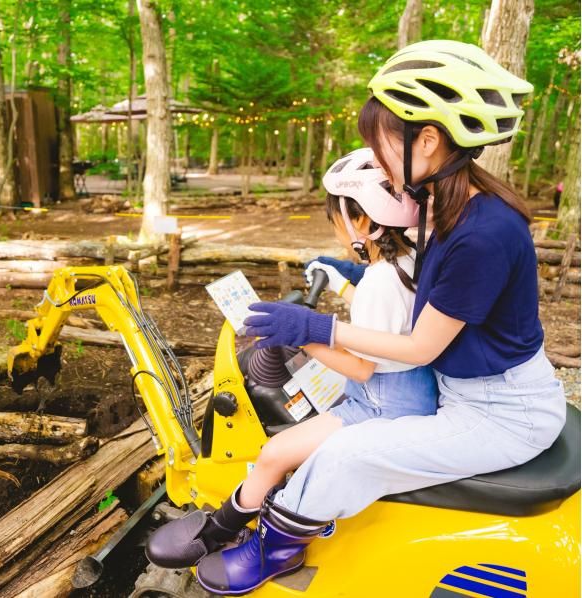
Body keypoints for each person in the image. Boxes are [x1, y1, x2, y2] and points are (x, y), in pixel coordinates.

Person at [185, 40, 564, 595]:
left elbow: (419, 348)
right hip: (475, 393)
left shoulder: (480, 232)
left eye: (381, 144)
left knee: (348, 455)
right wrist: (352, 270)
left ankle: (275, 550)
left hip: (501, 413)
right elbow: (419, 277)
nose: (379, 161)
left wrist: (314, 328)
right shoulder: (451, 207)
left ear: (428, 140)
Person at [145, 148, 438, 592]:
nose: (338, 233)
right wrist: (340, 279)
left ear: (360, 222)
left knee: (274, 452)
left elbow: (360, 368)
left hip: (382, 403)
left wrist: (305, 336)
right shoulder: (407, 264)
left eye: (336, 223)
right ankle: (248, 519)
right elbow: (383, 323)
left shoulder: (380, 281)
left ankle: (233, 533)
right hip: (406, 391)